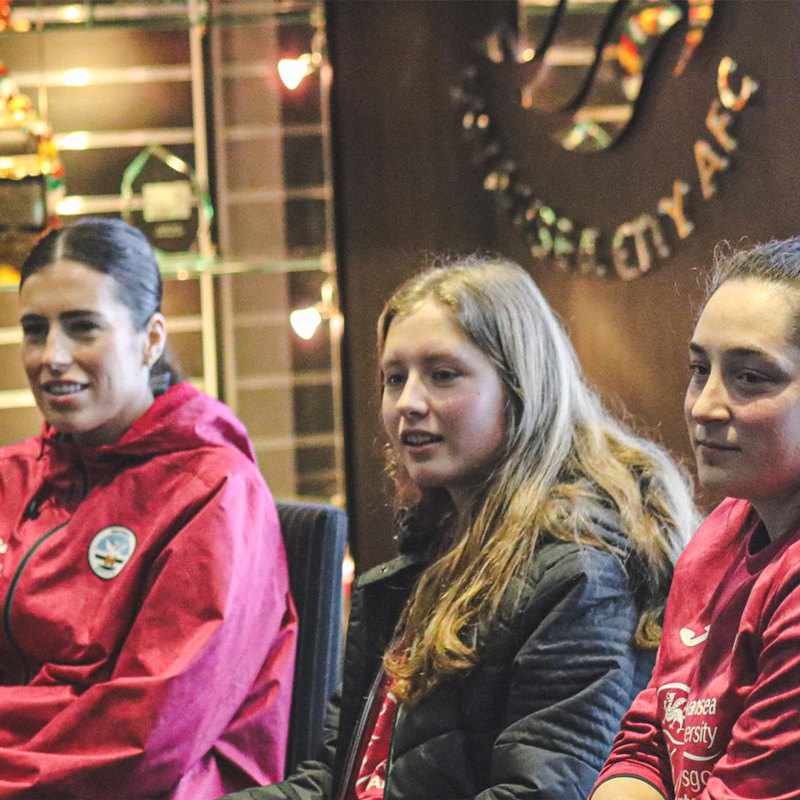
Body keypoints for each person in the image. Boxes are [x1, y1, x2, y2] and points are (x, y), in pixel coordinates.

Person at [223, 257, 697, 800]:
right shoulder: (432, 557)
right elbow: (336, 783)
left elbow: (537, 794)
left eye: (443, 375)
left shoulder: (584, 573)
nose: (408, 403)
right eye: (394, 378)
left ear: (521, 389)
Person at [0, 217, 297, 799]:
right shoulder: (13, 476)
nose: (51, 357)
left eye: (82, 328)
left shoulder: (215, 491)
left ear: (152, 338)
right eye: (35, 331)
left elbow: (147, 735)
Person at [591, 236, 800, 800]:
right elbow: (648, 739)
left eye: (751, 377)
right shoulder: (722, 531)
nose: (704, 406)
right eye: (699, 368)